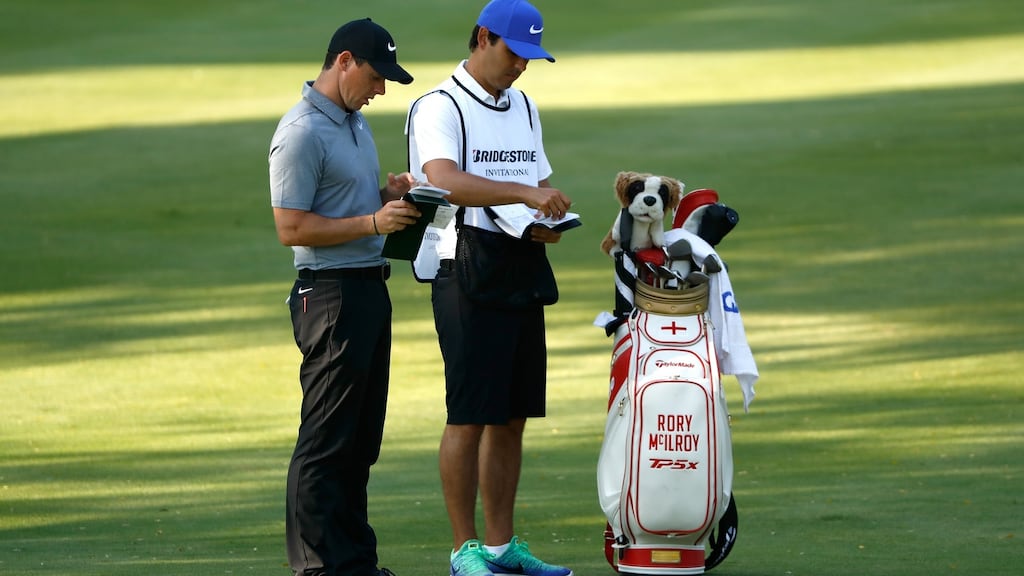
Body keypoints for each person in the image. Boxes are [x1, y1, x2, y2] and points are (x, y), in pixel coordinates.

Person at [405, 2, 573, 576]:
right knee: (470, 413)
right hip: (463, 266)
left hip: (519, 262)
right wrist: (524, 196)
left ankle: (501, 547)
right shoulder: (438, 105)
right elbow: (443, 179)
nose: (521, 68)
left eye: (531, 57)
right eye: (514, 53)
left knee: (512, 415)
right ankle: (464, 551)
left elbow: (538, 177)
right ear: (483, 38)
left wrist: (546, 213)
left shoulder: (524, 105)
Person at [268, 17, 421, 576]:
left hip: (366, 290)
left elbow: (344, 206)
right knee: (327, 438)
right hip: (328, 296)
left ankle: (353, 561)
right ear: (345, 62)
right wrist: (373, 219)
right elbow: (292, 227)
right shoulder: (302, 130)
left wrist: (388, 196)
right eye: (377, 76)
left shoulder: (353, 123)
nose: (381, 88)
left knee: (360, 440)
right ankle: (316, 565)